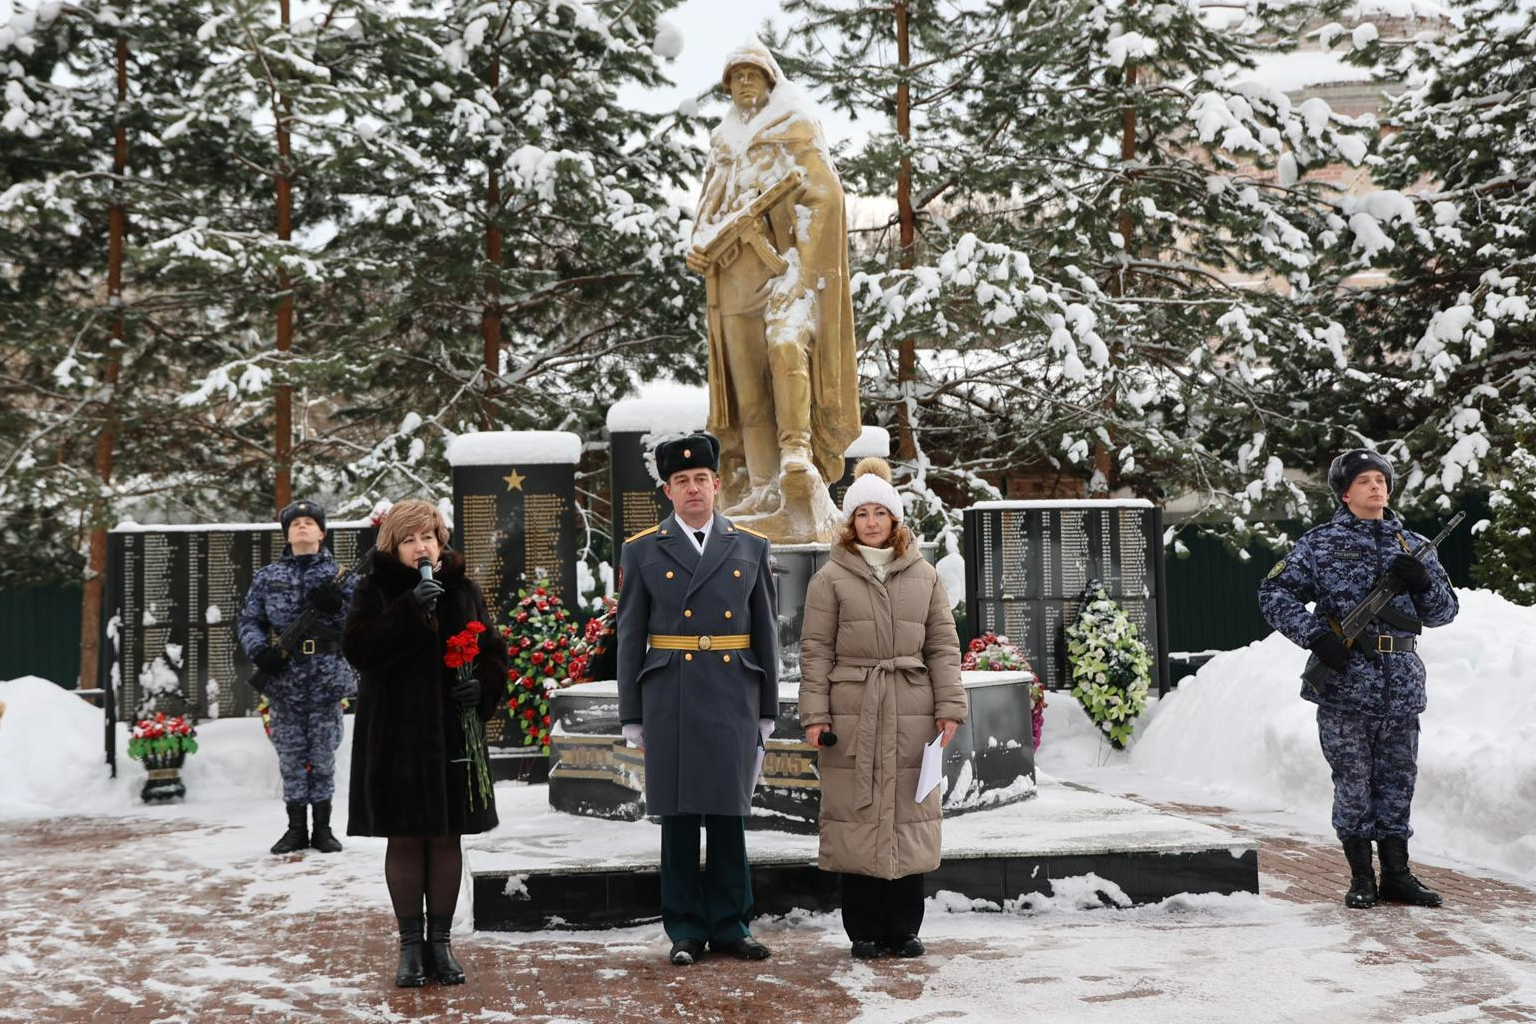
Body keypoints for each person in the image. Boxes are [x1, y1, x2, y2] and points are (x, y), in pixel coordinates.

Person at [1259, 449, 1459, 909]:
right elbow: (1274, 592)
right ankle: (1361, 877)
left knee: (1398, 781)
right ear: (1346, 492)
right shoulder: (1319, 544)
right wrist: (1314, 637)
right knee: (1353, 783)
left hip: (1402, 687)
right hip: (1346, 683)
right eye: (1365, 481)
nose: (1376, 487)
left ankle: (1398, 876)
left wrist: (1423, 583)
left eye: (1381, 480)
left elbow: (1445, 613)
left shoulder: (1414, 545)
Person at [616, 432, 780, 966]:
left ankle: (733, 924)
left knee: (730, 816)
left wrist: (768, 707)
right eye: (681, 481)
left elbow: (766, 633)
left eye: (701, 480)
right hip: (671, 695)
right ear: (667, 491)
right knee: (679, 817)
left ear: (717, 484)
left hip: (734, 689)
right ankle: (684, 927)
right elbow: (629, 636)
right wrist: (632, 714)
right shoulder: (642, 550)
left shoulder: (751, 546)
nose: (693, 489)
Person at [686, 39, 860, 537]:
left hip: (785, 274)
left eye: (752, 75)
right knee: (747, 386)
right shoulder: (723, 142)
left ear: (770, 79)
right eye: (735, 77)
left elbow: (824, 197)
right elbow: (707, 211)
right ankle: (762, 483)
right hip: (733, 281)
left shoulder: (795, 127)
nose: (743, 84)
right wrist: (697, 246)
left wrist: (800, 269)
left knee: (787, 350)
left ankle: (796, 459)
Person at [798, 457, 967, 958]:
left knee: (910, 815)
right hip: (854, 710)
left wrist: (949, 706)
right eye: (862, 513)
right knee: (857, 813)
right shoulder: (829, 579)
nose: (871, 522)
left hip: (912, 708)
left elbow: (942, 645)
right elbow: (815, 650)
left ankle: (904, 927)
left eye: (880, 513)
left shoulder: (926, 575)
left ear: (896, 520)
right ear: (850, 522)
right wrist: (816, 714)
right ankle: (865, 930)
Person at [342, 499, 508, 987]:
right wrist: (409, 609)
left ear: (441, 541)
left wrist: (482, 685)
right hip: (396, 735)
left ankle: (442, 944)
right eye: (410, 538)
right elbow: (360, 648)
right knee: (407, 837)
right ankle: (410, 947)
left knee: (446, 836)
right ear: (394, 546)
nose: (421, 546)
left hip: (453, 735)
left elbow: (493, 650)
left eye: (428, 536)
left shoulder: (463, 588)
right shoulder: (374, 590)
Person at [236, 499, 358, 856]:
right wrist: (260, 652)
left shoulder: (341, 577)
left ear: (322, 532)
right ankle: (295, 829)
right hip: (285, 678)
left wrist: (340, 607)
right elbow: (249, 621)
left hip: (326, 677)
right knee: (290, 755)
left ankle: (323, 828)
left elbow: (362, 623)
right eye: (295, 523)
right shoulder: (268, 577)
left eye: (309, 522)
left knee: (322, 755)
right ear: (287, 535)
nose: (302, 526)